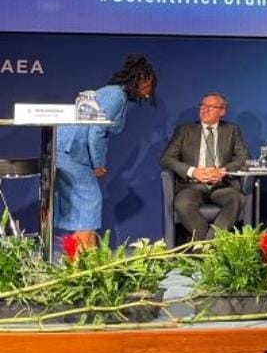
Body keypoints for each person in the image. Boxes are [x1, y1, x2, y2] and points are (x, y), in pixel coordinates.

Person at [54, 54, 157, 253]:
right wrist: (98, 164)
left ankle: (83, 258)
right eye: (148, 85)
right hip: (72, 150)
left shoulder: (116, 94)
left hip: (69, 150)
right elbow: (97, 130)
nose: (148, 92)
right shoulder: (115, 95)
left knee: (83, 207)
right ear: (140, 80)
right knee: (90, 202)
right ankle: (81, 260)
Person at [160, 92, 250, 242]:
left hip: (221, 185)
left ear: (222, 111)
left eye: (211, 107)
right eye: (203, 105)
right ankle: (212, 245)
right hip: (192, 185)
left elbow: (244, 157)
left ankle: (206, 245)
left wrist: (223, 171)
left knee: (236, 199)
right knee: (183, 204)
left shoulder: (231, 130)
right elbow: (166, 158)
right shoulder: (185, 130)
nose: (205, 109)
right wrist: (193, 171)